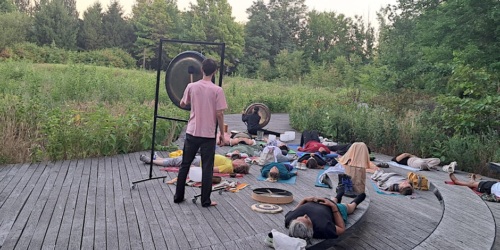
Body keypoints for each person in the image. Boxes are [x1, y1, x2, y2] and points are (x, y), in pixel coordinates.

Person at [174, 58, 227, 207]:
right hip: (208, 135)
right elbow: (220, 114)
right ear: (215, 71)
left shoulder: (191, 86)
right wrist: (222, 134)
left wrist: (192, 99)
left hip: (192, 132)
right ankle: (205, 201)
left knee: (185, 164)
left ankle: (178, 196)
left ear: (202, 69)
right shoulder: (217, 90)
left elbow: (182, 103)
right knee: (207, 168)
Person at [285, 188, 366, 240]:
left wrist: (304, 200)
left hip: (321, 201)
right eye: (306, 219)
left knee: (332, 200)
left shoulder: (289, 219)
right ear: (310, 228)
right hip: (333, 209)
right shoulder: (323, 227)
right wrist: (334, 207)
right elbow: (341, 229)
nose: (305, 215)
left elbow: (294, 211)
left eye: (299, 217)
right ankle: (356, 201)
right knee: (348, 207)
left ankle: (338, 196)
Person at [139, 154, 249, 174]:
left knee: (176, 161)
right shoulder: (230, 163)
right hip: (202, 158)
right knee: (178, 159)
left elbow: (211, 169)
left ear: (238, 166)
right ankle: (159, 158)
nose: (240, 160)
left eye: (241, 162)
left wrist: (195, 168)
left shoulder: (228, 167)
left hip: (199, 162)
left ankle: (151, 161)